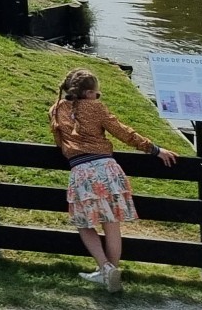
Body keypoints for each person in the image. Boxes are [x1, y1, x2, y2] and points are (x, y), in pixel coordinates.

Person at [49, 66, 176, 292]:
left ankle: (105, 268)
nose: (98, 97)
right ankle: (112, 270)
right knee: (112, 224)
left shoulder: (56, 110)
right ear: (89, 94)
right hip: (107, 170)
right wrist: (155, 149)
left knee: (84, 224)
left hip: (81, 173)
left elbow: (59, 143)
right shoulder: (95, 108)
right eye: (97, 93)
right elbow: (123, 132)